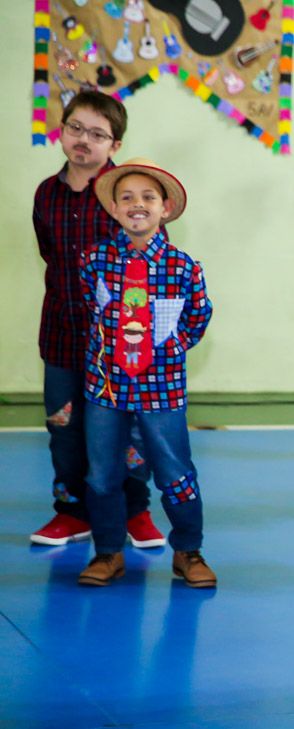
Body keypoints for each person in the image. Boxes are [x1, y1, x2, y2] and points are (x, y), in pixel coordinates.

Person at [30, 91, 163, 549]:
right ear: (62, 130)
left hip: (120, 342)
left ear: (115, 144)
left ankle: (134, 510)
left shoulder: (126, 194)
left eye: (97, 134)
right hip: (61, 335)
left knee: (128, 429)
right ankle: (72, 513)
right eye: (75, 128)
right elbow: (49, 253)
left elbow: (152, 260)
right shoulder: (45, 193)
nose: (83, 139)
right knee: (64, 429)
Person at [77, 158, 216, 588]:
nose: (137, 204)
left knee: (175, 472)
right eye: (127, 198)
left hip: (162, 389)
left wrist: (171, 349)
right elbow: (93, 309)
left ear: (165, 208)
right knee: (102, 473)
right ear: (114, 209)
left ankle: (188, 551)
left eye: (148, 197)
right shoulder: (95, 261)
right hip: (107, 387)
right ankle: (108, 552)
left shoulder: (184, 268)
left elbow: (198, 317)